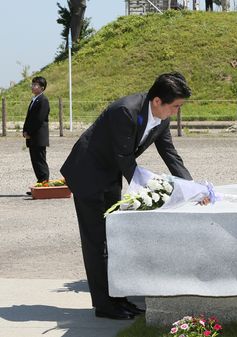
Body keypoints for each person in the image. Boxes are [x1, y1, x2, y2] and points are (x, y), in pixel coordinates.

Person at [61, 72, 203, 320]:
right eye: (176, 106)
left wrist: (193, 189)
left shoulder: (161, 119)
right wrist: (151, 190)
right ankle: (104, 305)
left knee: (113, 238)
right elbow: (125, 159)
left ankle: (117, 298)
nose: (177, 112)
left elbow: (170, 155)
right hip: (88, 173)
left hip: (110, 174)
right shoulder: (125, 111)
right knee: (96, 241)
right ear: (157, 101)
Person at [23, 76, 50, 193]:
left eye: (35, 85)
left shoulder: (43, 100)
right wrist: (24, 130)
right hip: (32, 136)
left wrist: (29, 132)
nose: (32, 87)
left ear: (42, 88)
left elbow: (39, 119)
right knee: (35, 161)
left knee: (40, 161)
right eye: (32, 84)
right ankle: (40, 184)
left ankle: (44, 184)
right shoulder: (34, 100)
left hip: (38, 136)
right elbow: (29, 118)